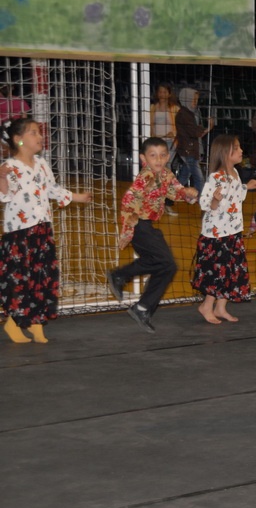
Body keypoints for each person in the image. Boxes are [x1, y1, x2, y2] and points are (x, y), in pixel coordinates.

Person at [0, 118, 91, 343]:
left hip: (42, 230)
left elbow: (52, 189)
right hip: (19, 233)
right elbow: (5, 196)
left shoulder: (41, 163)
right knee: (20, 279)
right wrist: (2, 177)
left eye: (39, 132)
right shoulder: (10, 167)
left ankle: (36, 322)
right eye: (33, 132)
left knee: (42, 277)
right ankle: (14, 322)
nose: (40, 136)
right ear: (19, 140)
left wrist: (77, 197)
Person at [106, 137, 198, 334]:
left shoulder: (165, 174)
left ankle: (139, 304)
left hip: (147, 225)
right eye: (153, 155)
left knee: (166, 265)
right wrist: (129, 228)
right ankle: (122, 278)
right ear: (143, 158)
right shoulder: (146, 177)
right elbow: (128, 200)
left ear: (168, 157)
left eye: (163, 155)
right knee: (166, 263)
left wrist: (188, 193)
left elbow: (176, 191)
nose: (158, 159)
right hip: (139, 225)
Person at [192, 135, 256, 325]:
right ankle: (207, 306)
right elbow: (205, 203)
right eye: (236, 148)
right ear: (225, 153)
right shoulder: (216, 177)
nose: (241, 151)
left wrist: (247, 186)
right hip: (217, 235)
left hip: (233, 231)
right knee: (217, 272)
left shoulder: (235, 173)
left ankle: (220, 307)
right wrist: (215, 199)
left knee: (231, 270)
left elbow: (235, 194)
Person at [175, 87, 213, 196]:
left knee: (184, 176)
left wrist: (208, 128)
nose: (195, 102)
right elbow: (195, 133)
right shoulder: (184, 114)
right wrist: (207, 127)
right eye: (193, 99)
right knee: (199, 178)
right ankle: (202, 200)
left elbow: (197, 133)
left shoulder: (191, 113)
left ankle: (170, 197)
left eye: (196, 100)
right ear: (186, 99)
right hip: (189, 150)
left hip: (191, 149)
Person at [150, 82, 180, 216]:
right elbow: (150, 125)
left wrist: (174, 134)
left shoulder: (175, 108)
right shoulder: (152, 108)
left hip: (169, 143)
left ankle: (166, 204)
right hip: (156, 144)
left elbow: (180, 126)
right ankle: (156, 203)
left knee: (166, 172)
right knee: (157, 173)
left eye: (164, 91)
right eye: (160, 91)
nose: (162, 94)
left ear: (169, 94)